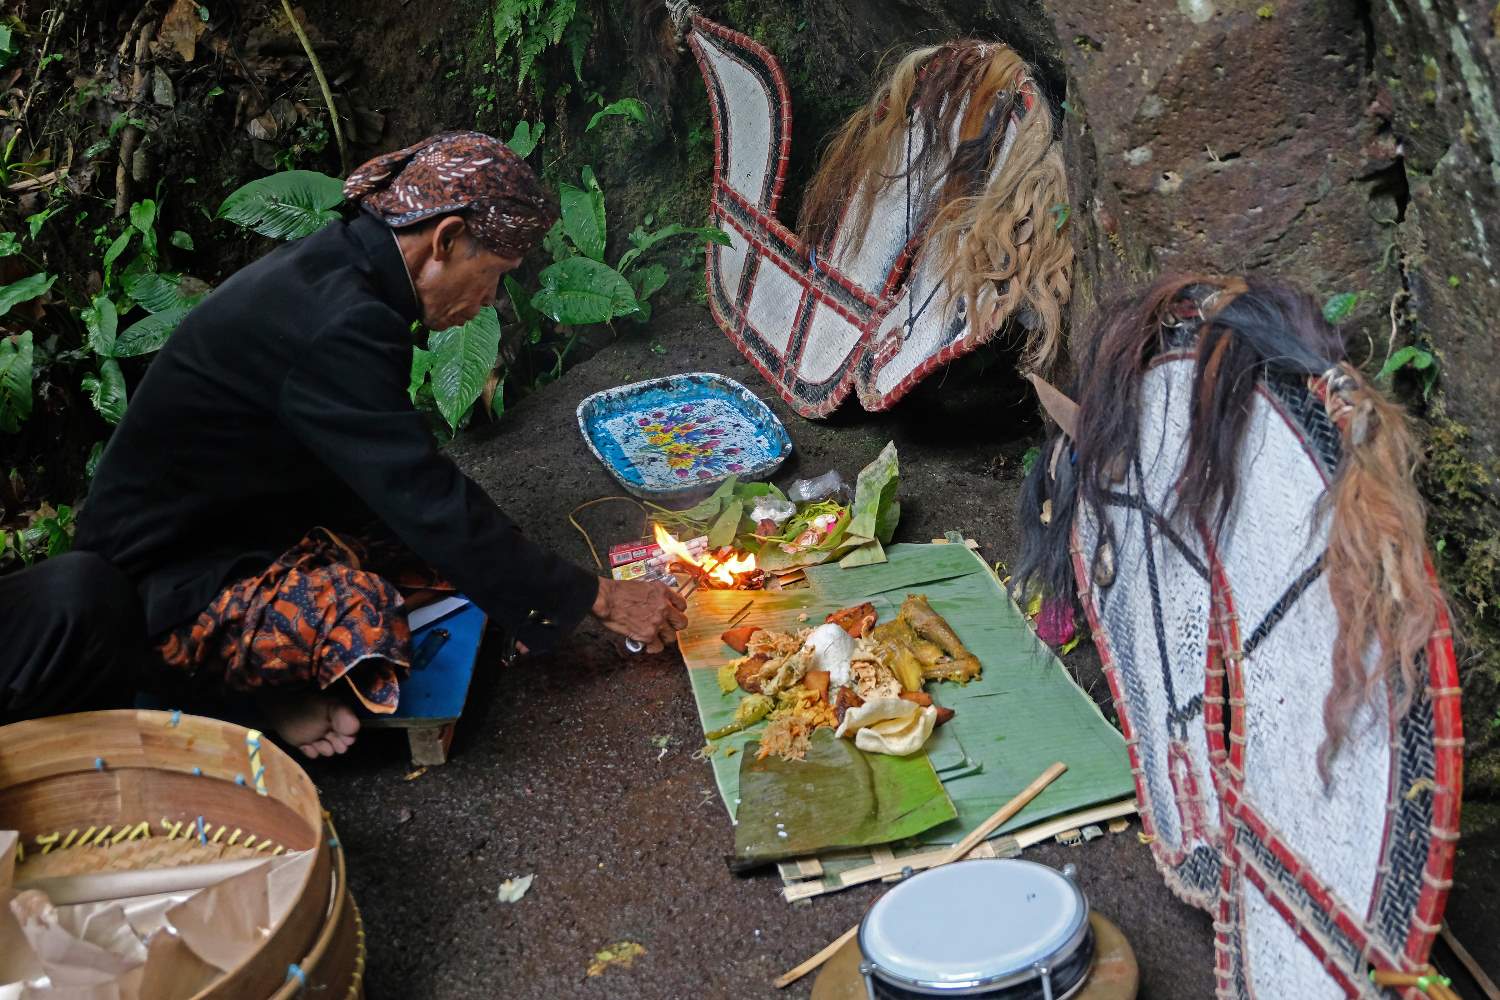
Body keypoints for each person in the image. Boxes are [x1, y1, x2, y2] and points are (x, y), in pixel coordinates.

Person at [2, 130, 687, 755]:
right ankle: (240, 695)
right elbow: (423, 494)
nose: (490, 302)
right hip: (163, 585)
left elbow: (405, 485)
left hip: (245, 518)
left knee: (451, 552)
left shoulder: (343, 273)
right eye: (496, 276)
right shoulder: (337, 323)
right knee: (361, 610)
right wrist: (596, 599)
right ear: (444, 241)